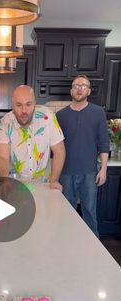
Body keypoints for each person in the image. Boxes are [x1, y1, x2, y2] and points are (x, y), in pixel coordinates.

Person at [56, 74, 109, 237]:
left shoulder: (98, 112)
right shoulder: (60, 115)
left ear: (89, 91)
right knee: (66, 213)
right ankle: (68, 244)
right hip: (65, 172)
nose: (79, 88)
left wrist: (104, 169)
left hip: (89, 172)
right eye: (76, 85)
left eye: (83, 85)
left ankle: (93, 249)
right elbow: (55, 146)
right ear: (71, 90)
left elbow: (104, 142)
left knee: (89, 212)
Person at [0, 85, 65, 190]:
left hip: (44, 185)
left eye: (28, 104)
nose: (24, 110)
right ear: (12, 105)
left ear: (35, 104)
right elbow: (2, 157)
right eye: (19, 105)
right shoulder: (4, 124)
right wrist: (5, 181)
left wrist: (54, 180)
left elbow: (59, 151)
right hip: (15, 186)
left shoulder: (48, 117)